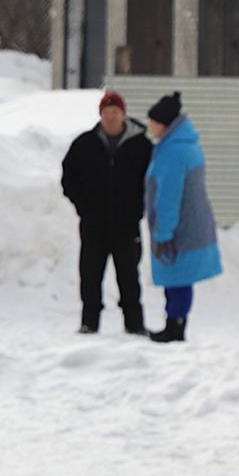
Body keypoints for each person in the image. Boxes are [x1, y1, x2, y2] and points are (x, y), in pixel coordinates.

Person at [59, 90, 152, 335]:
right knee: (90, 275)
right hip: (93, 224)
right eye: (106, 113)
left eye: (115, 112)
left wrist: (139, 208)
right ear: (100, 115)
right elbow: (68, 178)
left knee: (129, 276)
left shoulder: (141, 146)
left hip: (126, 224)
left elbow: (153, 181)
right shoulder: (84, 144)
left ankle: (134, 324)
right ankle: (89, 322)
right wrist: (83, 206)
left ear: (123, 114)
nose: (111, 117)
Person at [143, 91, 222, 342]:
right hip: (190, 223)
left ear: (164, 123)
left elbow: (169, 197)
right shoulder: (184, 144)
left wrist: (164, 232)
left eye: (152, 122)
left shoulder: (173, 152)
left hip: (179, 227)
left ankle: (174, 327)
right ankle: (175, 323)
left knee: (177, 276)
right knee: (180, 277)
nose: (149, 127)